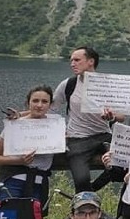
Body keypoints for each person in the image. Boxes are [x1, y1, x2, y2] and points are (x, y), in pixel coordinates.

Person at [53, 47, 124, 193]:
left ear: (91, 61)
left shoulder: (108, 84)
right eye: (71, 60)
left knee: (121, 165)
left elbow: (122, 116)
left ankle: (92, 189)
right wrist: (20, 116)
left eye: (77, 60)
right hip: (77, 138)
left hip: (103, 134)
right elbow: (48, 107)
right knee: (81, 180)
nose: (72, 64)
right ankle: (86, 197)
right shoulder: (68, 84)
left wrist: (112, 116)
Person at [0, 85, 56, 209]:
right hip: (12, 180)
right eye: (35, 101)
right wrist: (18, 160)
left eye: (44, 101)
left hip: (38, 183)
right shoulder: (15, 125)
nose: (39, 105)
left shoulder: (56, 125)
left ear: (50, 105)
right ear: (28, 103)